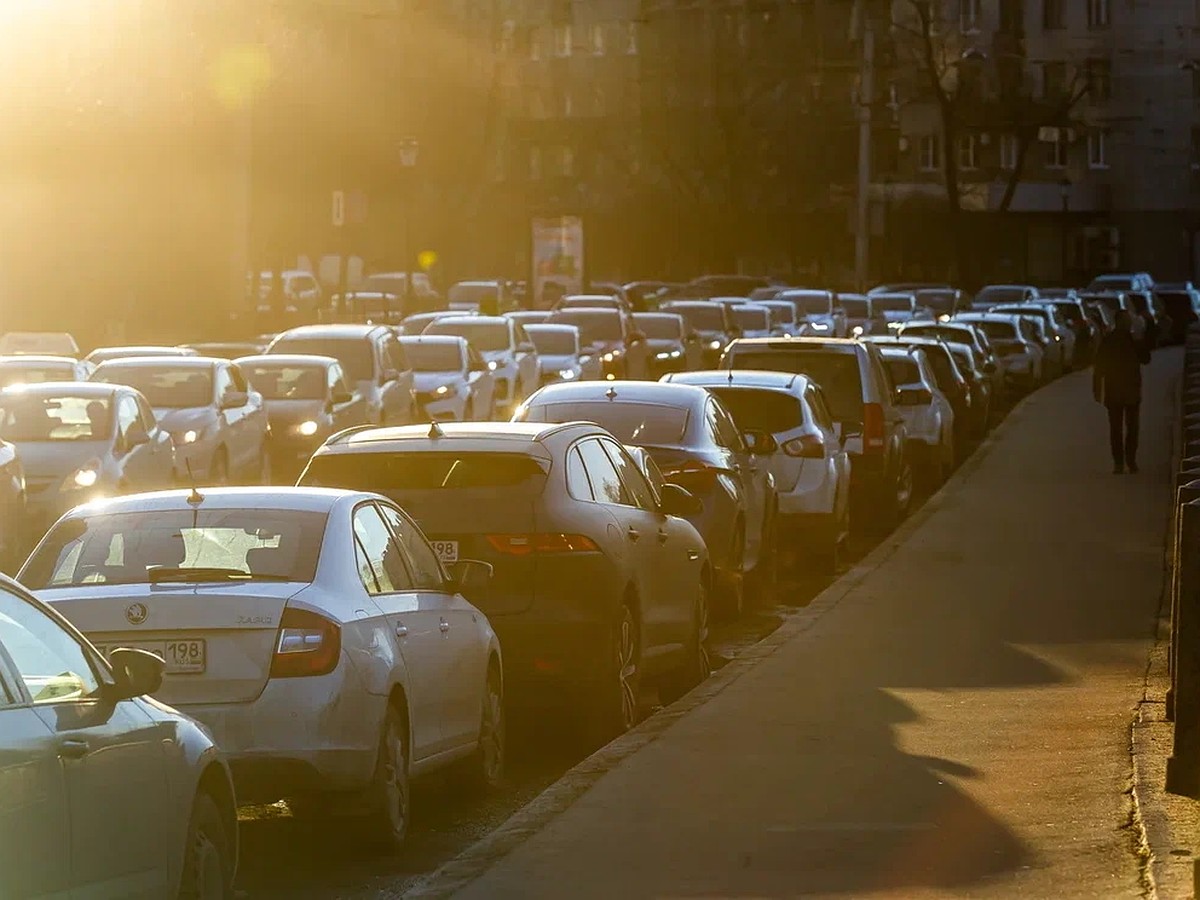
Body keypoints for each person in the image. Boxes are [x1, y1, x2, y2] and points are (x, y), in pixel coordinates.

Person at [1092, 308, 1151, 474]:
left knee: (1120, 429)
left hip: (1120, 391)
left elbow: (1099, 366)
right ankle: (1126, 461)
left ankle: (1123, 462)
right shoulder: (1124, 340)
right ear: (1122, 323)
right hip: (1125, 391)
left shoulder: (1113, 340)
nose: (1129, 323)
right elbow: (1146, 359)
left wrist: (1097, 389)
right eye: (1127, 321)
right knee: (1126, 428)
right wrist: (1097, 388)